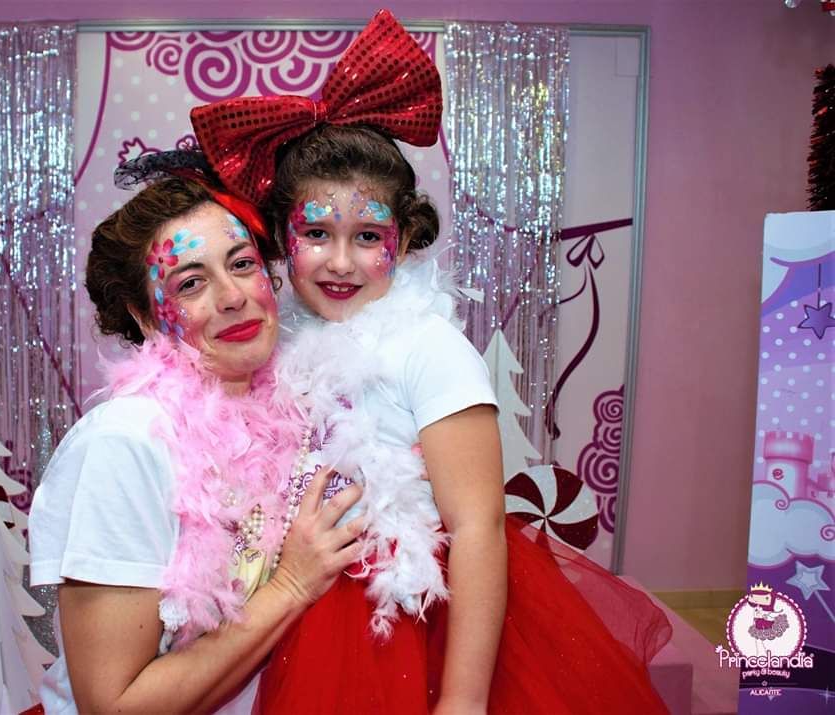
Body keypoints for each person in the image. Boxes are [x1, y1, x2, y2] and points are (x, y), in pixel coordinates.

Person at [191, 10, 672, 714]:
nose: (341, 261)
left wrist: (465, 699)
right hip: (293, 596)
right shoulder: (278, 337)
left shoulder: (432, 348)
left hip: (411, 611)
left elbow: (476, 524)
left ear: (407, 236)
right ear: (280, 237)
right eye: (316, 232)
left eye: (368, 235)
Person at [28, 176, 366, 714]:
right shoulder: (126, 445)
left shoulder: (300, 411)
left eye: (241, 264)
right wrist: (291, 586)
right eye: (190, 284)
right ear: (144, 318)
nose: (233, 297)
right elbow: (112, 708)